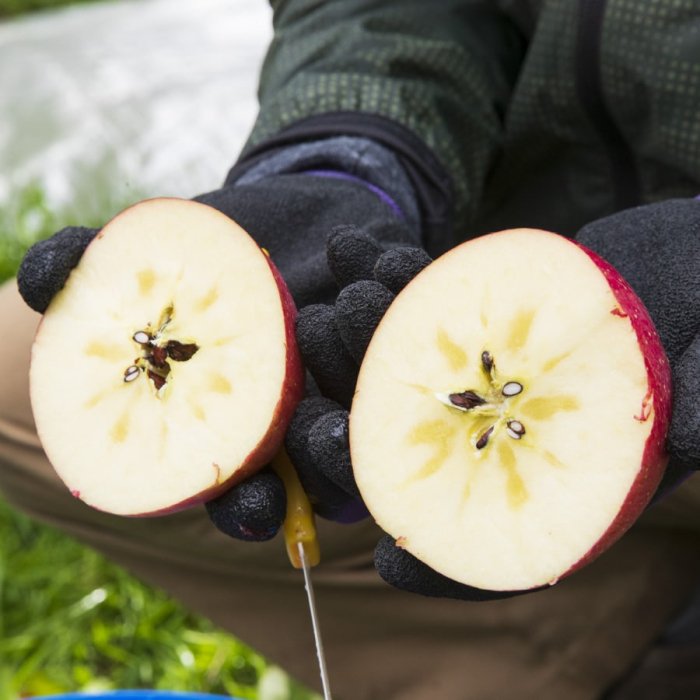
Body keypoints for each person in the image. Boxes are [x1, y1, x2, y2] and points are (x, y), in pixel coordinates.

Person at [2, 1, 700, 697]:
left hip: (638, 319)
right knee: (12, 367)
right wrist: (345, 156)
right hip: (499, 276)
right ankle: (591, 641)